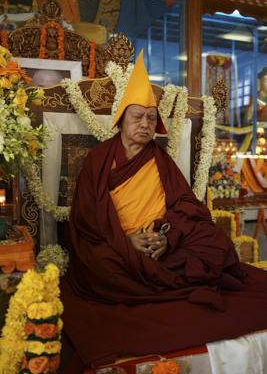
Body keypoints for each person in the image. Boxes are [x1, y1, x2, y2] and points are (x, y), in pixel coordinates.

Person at [61, 51, 267, 372]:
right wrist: (127, 241)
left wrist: (166, 238)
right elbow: (86, 221)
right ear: (122, 119)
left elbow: (186, 206)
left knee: (213, 241)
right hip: (119, 246)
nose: (144, 124)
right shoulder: (99, 160)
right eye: (137, 116)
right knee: (96, 262)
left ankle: (158, 268)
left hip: (162, 241)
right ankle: (152, 275)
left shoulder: (159, 158)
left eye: (150, 117)